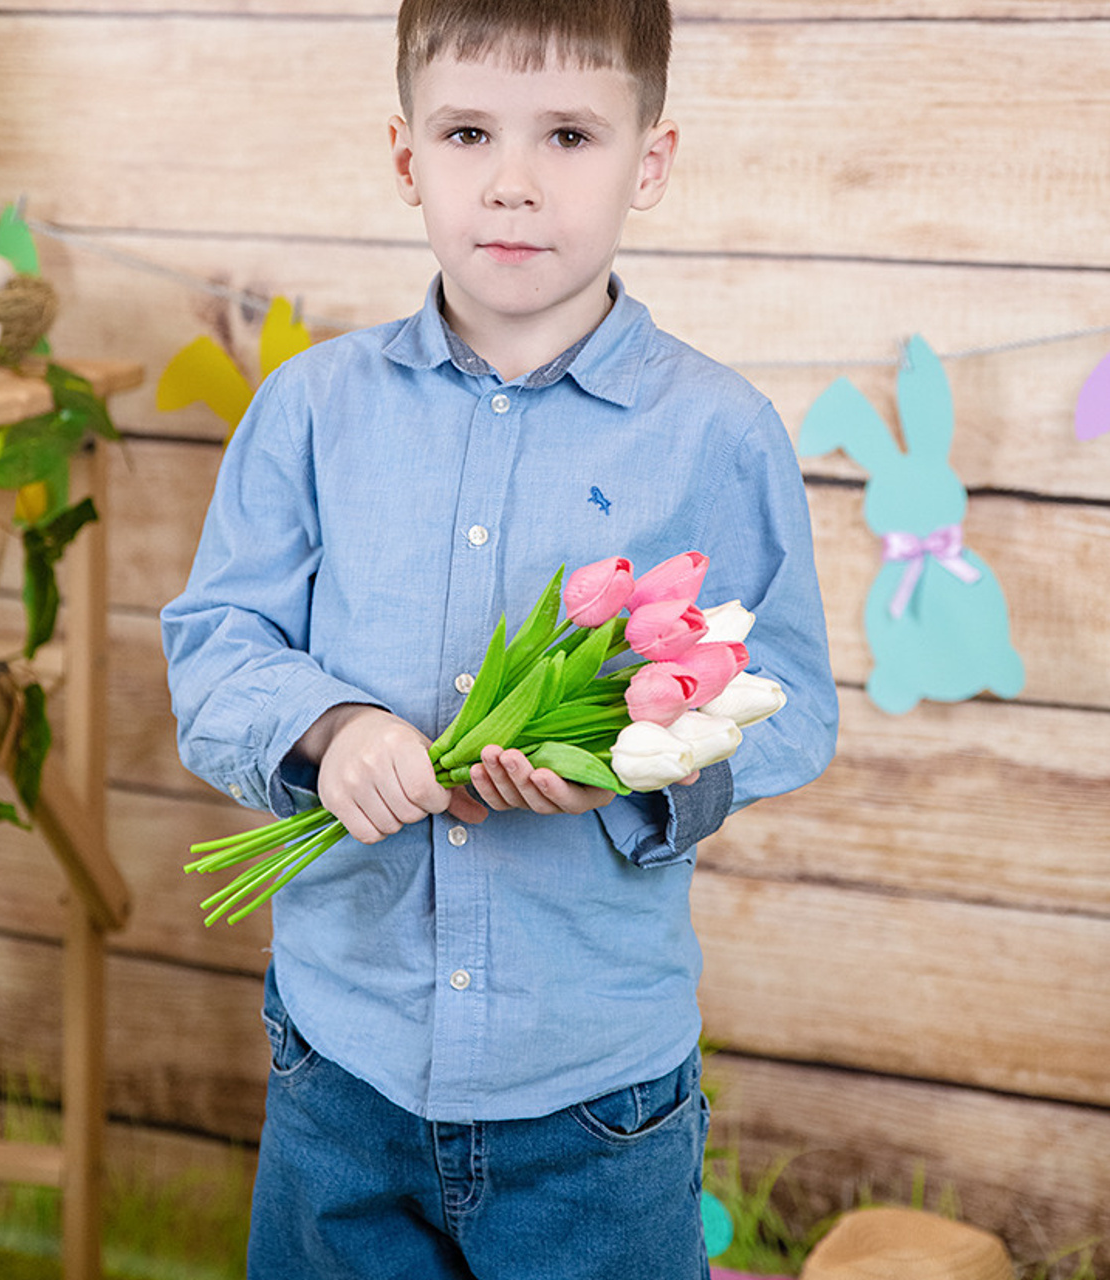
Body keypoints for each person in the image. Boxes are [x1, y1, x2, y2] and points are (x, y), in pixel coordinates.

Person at [161, 0, 838, 1275]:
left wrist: (633, 768)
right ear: (408, 158)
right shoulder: (312, 408)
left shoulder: (714, 430)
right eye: (470, 131)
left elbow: (787, 694)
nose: (514, 183)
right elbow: (217, 638)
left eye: (569, 134)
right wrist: (329, 726)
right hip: (339, 1069)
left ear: (649, 162)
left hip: (593, 1097)